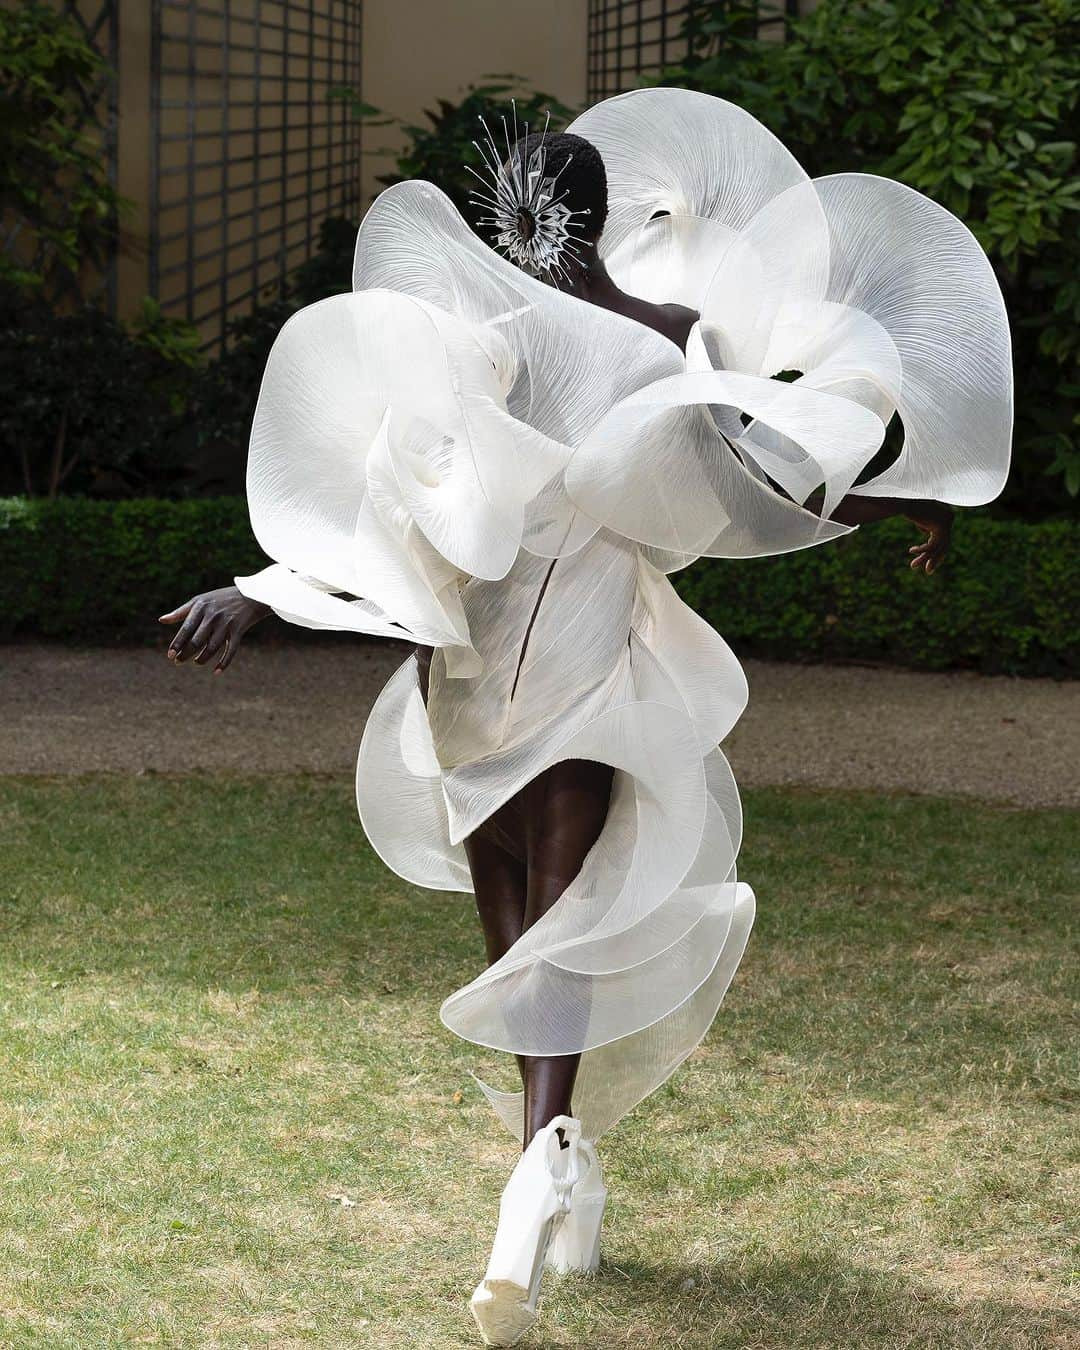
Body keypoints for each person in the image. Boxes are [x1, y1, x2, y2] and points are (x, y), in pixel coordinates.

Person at [161, 89, 1011, 1347]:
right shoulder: (543, 339)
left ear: (540, 217)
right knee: (524, 963)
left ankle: (530, 1210)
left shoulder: (580, 339)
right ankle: (565, 1172)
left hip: (572, 676)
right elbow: (415, 504)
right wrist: (260, 587)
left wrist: (891, 499)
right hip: (476, 681)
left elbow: (734, 478)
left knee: (547, 948)